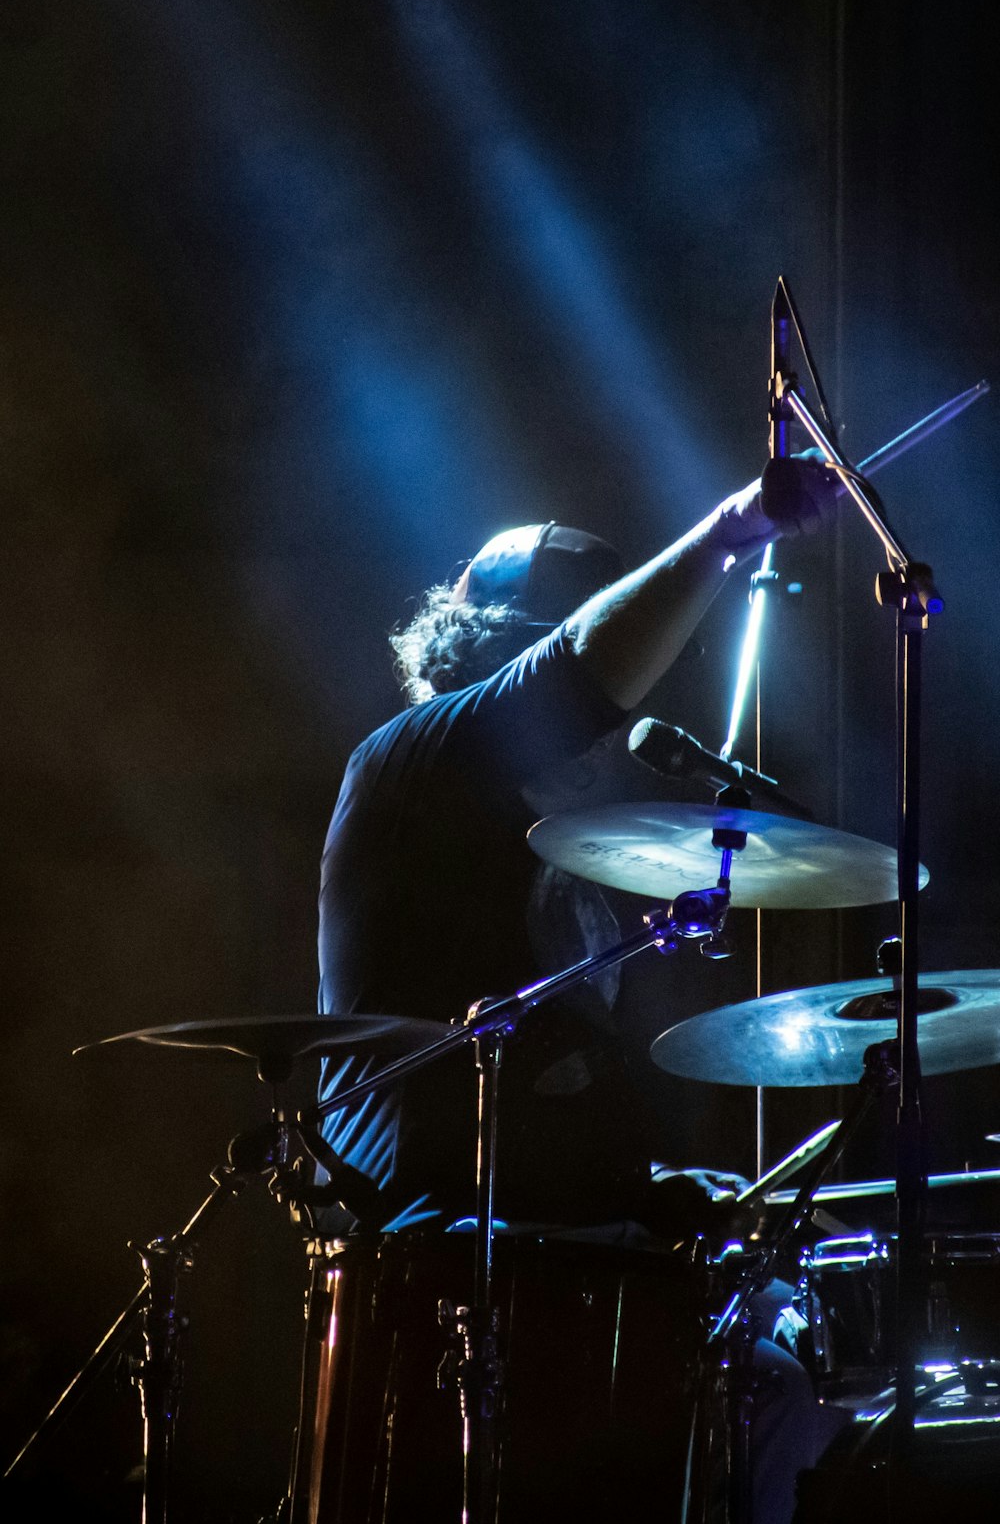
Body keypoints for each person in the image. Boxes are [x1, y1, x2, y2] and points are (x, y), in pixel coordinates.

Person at [313, 455, 841, 1522]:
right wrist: (734, 527)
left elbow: (551, 1106)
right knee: (760, 1390)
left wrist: (654, 1189)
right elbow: (570, 670)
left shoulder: (562, 855)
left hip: (552, 1246)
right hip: (448, 1258)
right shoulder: (416, 756)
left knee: (797, 1369)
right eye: (590, 709)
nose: (604, 729)